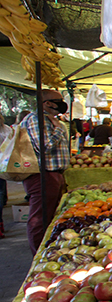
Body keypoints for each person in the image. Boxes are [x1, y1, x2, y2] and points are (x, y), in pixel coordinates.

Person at [21, 90, 73, 254]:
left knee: (50, 214)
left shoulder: (48, 119)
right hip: (43, 174)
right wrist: (58, 129)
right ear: (47, 103)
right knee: (40, 217)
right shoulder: (36, 119)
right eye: (58, 100)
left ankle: (47, 249)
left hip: (52, 173)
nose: (62, 103)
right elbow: (45, 147)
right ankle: (39, 253)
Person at [0, 113, 12, 238]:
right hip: (2, 164)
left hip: (2, 164)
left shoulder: (7, 129)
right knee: (1, 192)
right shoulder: (6, 129)